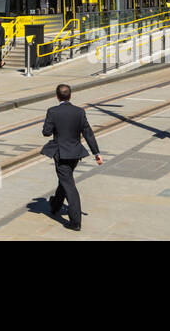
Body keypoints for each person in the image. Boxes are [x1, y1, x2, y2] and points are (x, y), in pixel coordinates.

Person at [41, 83, 102, 230]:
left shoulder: (53, 111)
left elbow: (46, 132)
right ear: (70, 95)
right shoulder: (79, 112)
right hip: (75, 154)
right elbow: (88, 133)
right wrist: (96, 153)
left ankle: (75, 221)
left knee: (69, 186)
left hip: (61, 154)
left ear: (57, 96)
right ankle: (55, 205)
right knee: (65, 179)